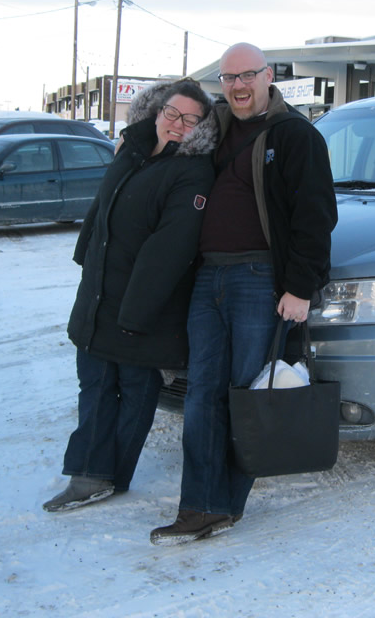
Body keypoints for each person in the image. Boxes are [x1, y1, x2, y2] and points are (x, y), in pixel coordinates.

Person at [150, 43, 337, 544]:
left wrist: (300, 287)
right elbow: (165, 126)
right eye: (229, 78)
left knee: (245, 395)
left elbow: (316, 215)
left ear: (267, 76)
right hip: (208, 276)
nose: (237, 86)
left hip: (258, 278)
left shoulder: (295, 134)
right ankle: (199, 505)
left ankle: (225, 503)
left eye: (247, 76)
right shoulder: (214, 129)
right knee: (202, 394)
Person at [43, 78, 218, 512]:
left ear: (201, 127)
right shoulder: (132, 151)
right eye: (172, 113)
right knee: (95, 385)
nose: (177, 124)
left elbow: (169, 249)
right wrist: (85, 256)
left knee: (135, 392)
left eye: (190, 119)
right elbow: (101, 210)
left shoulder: (193, 172)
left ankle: (108, 475)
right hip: (100, 294)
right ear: (157, 112)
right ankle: (90, 473)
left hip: (144, 307)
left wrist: (135, 317)